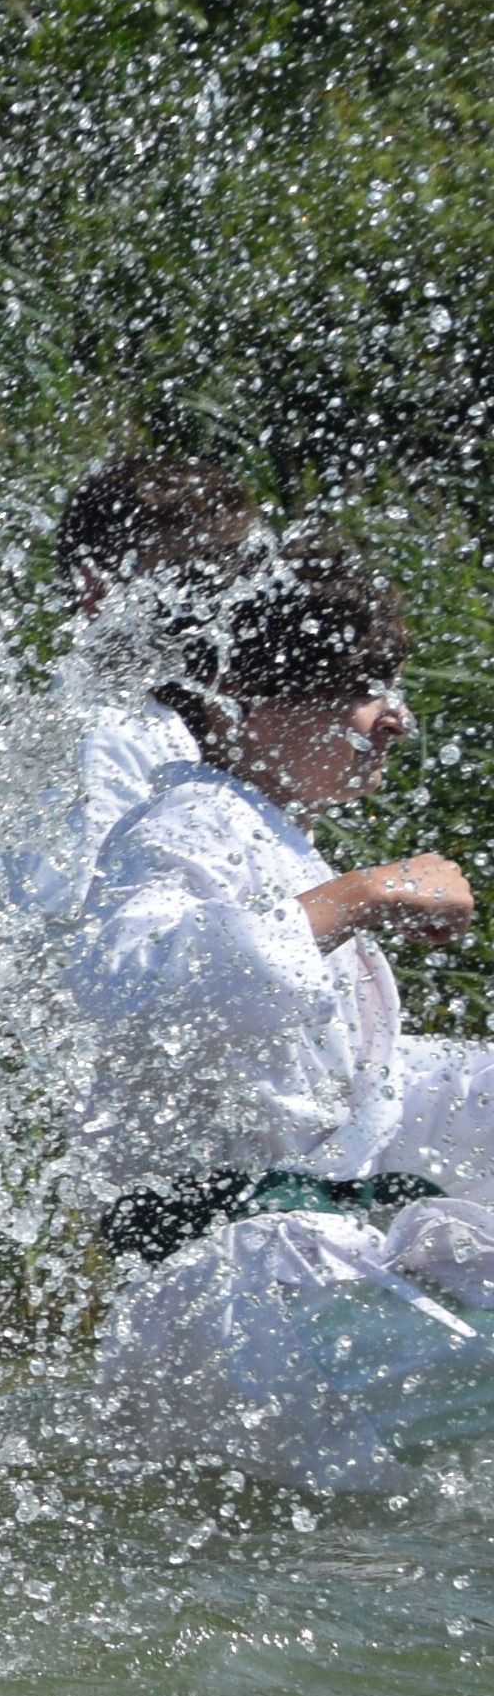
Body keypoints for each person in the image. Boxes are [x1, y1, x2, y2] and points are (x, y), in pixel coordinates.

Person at [62, 522, 494, 1490]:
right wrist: (366, 895)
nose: (396, 718)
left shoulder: (266, 838)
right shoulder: (186, 818)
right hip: (225, 1304)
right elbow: (131, 979)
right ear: (247, 703)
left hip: (276, 1289)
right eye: (362, 688)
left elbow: (349, 1103)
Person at [0, 451, 253, 918]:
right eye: (196, 576)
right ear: (94, 588)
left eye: (236, 574)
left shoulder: (160, 717)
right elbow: (87, 930)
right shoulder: (108, 736)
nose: (225, 601)